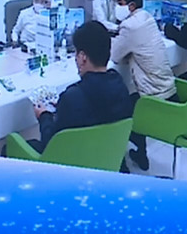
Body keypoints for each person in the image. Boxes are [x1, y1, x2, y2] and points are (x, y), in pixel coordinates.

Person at [26, 21, 133, 153]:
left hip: (73, 160)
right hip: (107, 157)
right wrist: (62, 107)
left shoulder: (73, 96)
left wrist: (44, 116)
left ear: (83, 58)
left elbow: (50, 145)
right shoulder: (120, 85)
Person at [110, 0, 179, 171]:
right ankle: (140, 152)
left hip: (152, 97)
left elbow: (115, 56)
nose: (117, 6)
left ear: (131, 6)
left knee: (118, 110)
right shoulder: (147, 18)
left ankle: (131, 157)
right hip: (168, 89)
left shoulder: (129, 26)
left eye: (120, 2)